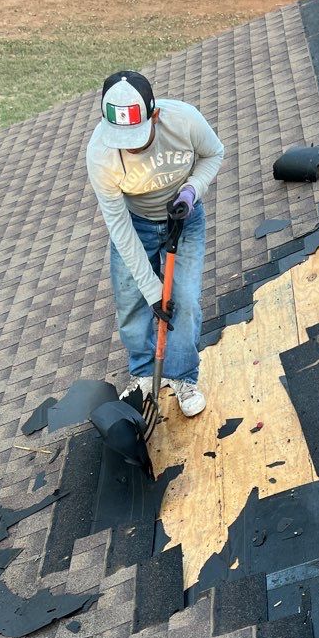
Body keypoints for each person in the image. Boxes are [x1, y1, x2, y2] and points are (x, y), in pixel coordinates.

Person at [86, 69, 224, 417]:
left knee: (186, 300)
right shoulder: (100, 154)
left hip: (185, 218)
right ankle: (144, 372)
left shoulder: (184, 120)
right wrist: (151, 290)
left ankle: (181, 376)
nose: (130, 145)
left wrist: (192, 191)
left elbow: (214, 154)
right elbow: (118, 226)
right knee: (131, 301)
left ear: (155, 114)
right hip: (136, 224)